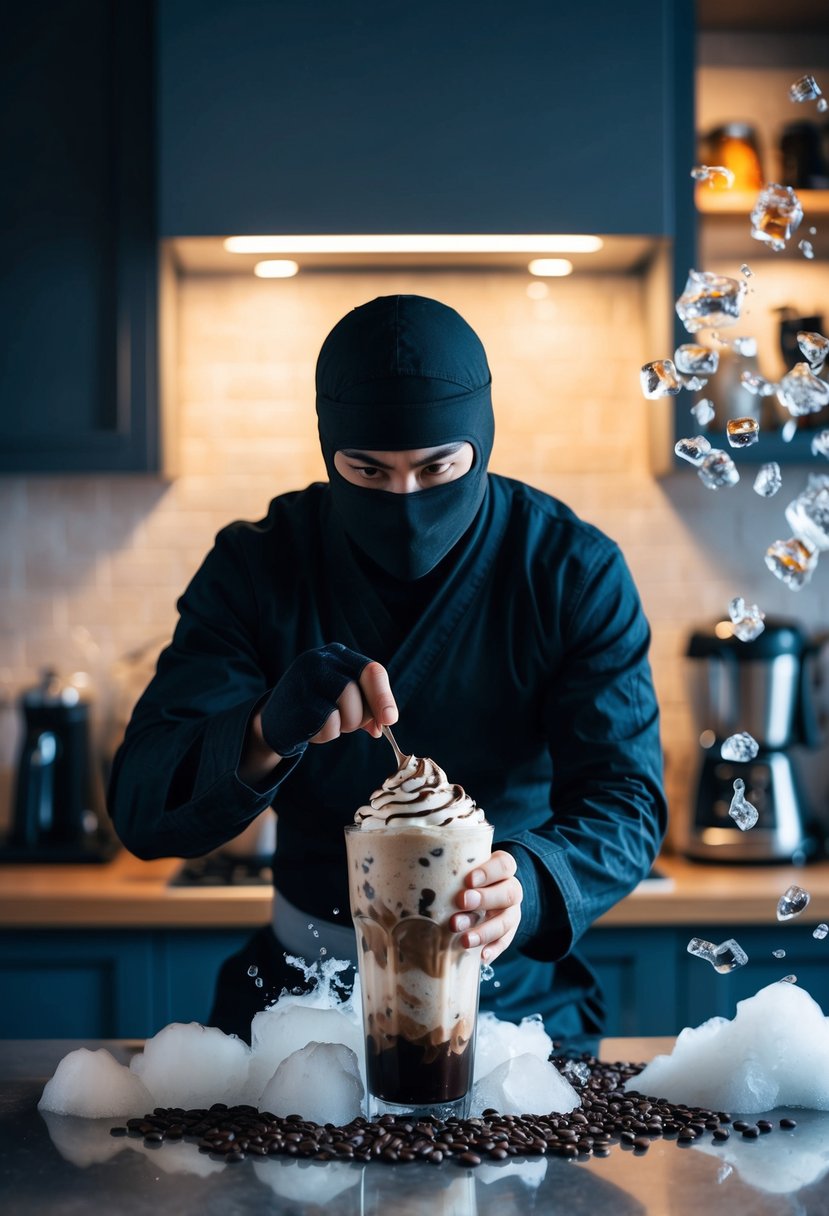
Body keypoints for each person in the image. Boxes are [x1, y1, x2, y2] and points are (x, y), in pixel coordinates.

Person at [108, 294, 666, 1047]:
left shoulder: (571, 571)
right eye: (367, 471)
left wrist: (527, 887)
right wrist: (265, 729)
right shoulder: (256, 566)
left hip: (510, 1010)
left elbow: (625, 799)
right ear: (327, 450)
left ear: (482, 441)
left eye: (438, 467)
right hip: (294, 1015)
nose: (405, 501)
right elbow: (142, 807)